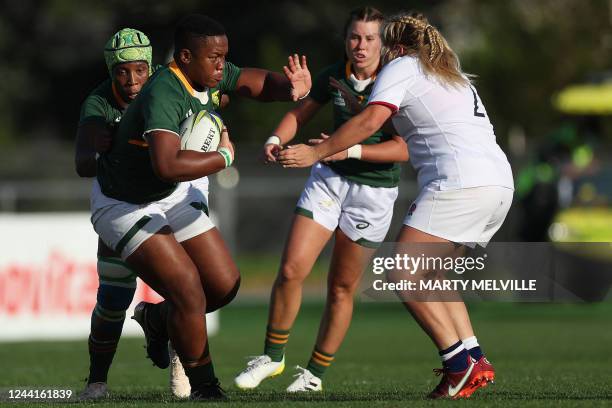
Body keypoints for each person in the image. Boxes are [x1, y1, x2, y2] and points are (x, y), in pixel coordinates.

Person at [278, 11, 514, 399]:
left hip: (459, 183)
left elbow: (372, 122)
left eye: (381, 46)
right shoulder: (446, 70)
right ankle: (474, 356)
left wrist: (317, 151)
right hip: (498, 185)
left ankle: (458, 366)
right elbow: (397, 120)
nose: (375, 53)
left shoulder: (403, 64)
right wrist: (353, 112)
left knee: (402, 273)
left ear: (398, 48)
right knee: (434, 277)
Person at [91, 14, 310, 400]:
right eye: (215, 58)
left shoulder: (207, 71)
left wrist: (291, 88)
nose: (222, 66)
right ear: (186, 57)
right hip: (123, 203)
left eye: (224, 57)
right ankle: (205, 388)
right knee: (188, 290)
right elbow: (167, 164)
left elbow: (254, 83)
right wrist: (224, 157)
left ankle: (158, 319)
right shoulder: (164, 92)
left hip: (169, 193)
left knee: (223, 286)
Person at [234, 7, 408, 392]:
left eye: (369, 39)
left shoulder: (395, 82)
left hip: (373, 193)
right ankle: (272, 357)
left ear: (384, 44)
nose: (360, 46)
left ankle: (314, 374)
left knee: (341, 287)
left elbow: (403, 149)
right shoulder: (334, 74)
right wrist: (274, 140)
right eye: (354, 37)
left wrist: (349, 152)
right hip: (328, 180)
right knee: (293, 269)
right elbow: (299, 114)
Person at [74, 28, 157, 400]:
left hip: (165, 204)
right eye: (122, 72)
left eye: (140, 70)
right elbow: (81, 163)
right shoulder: (98, 102)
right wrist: (101, 149)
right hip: (119, 207)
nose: (132, 80)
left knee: (190, 291)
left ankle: (185, 366)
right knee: (112, 299)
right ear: (111, 72)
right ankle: (96, 382)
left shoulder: (165, 91)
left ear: (150, 68)